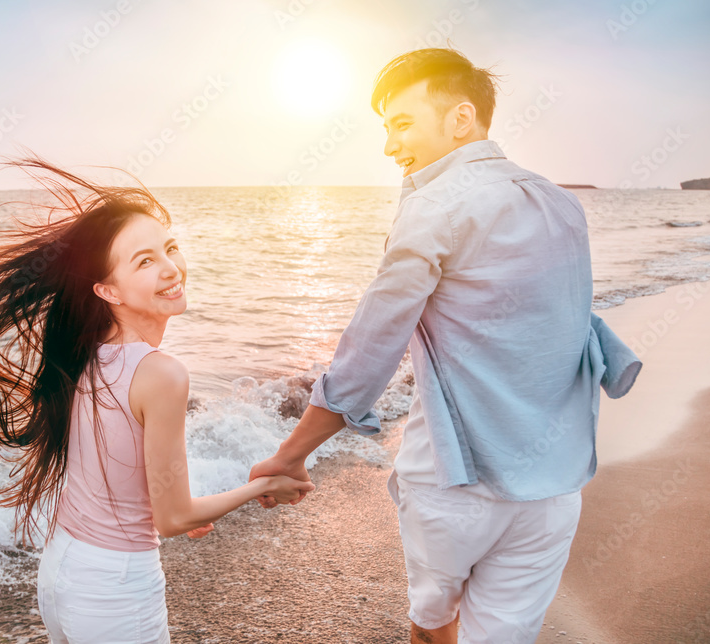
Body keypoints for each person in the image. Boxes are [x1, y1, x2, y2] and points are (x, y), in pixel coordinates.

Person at [250, 48, 642, 644]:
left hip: (453, 483)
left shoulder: (432, 204)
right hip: (555, 483)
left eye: (401, 123)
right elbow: (570, 328)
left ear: (461, 119)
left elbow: (368, 352)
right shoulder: (565, 203)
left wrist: (291, 452)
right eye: (384, 128)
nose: (389, 146)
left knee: (433, 627)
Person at [0, 155, 314, 644]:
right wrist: (263, 486)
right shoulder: (161, 373)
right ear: (107, 288)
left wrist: (192, 511)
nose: (172, 269)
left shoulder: (86, 353)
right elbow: (172, 519)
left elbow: (132, 481)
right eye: (145, 261)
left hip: (63, 570)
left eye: (170, 248)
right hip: (116, 588)